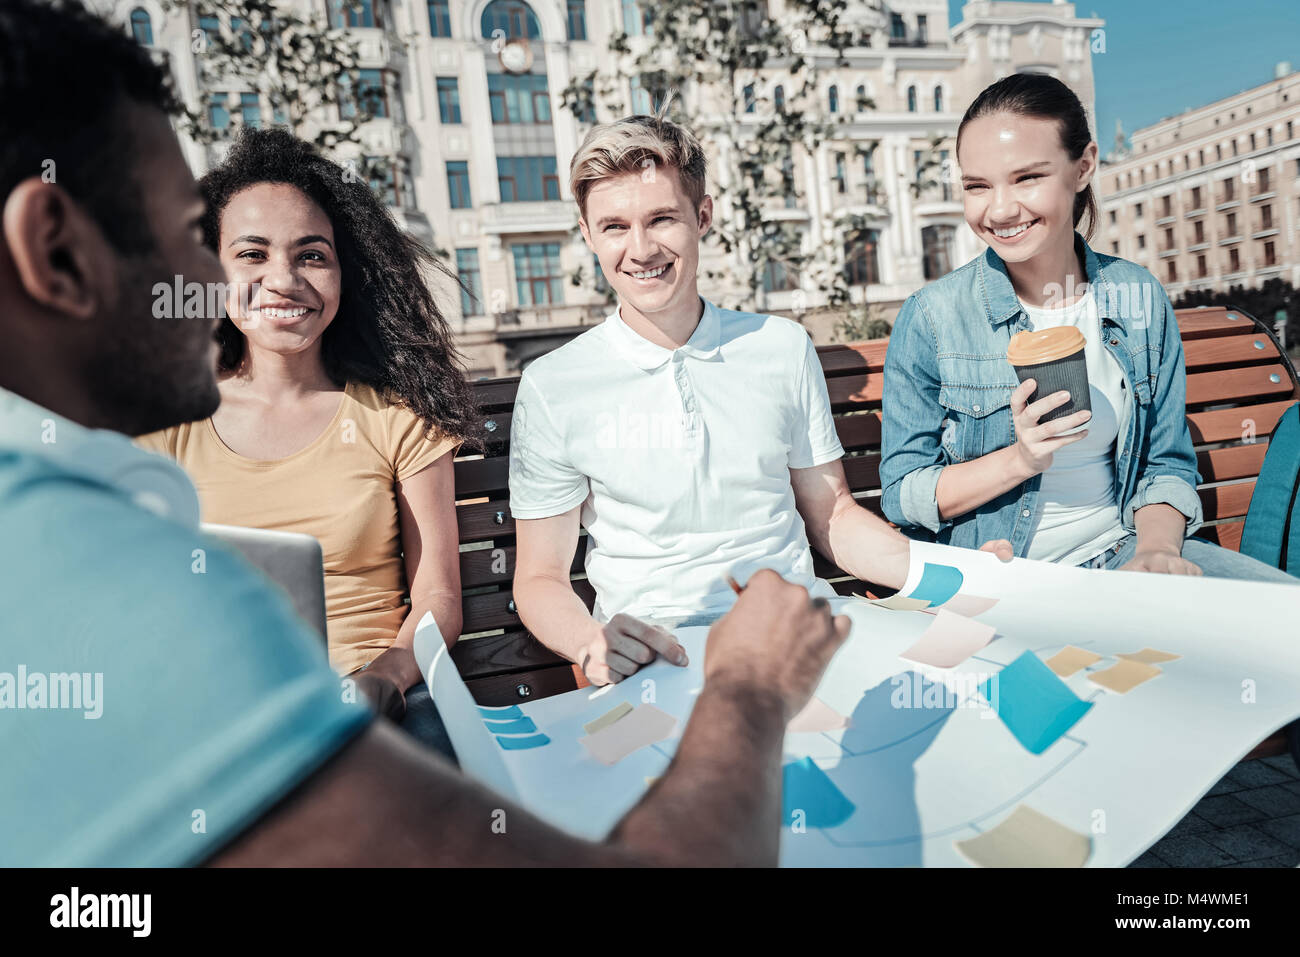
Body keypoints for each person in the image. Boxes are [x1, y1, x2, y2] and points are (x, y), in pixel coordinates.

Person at [0, 0, 850, 867]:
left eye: (309, 253)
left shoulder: (74, 525)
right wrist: (749, 686)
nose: (209, 275)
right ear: (56, 252)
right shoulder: (138, 589)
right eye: (194, 235)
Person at [509, 107, 1014, 687]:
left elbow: (833, 518)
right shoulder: (554, 385)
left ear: (703, 217)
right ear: (588, 233)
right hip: (660, 660)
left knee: (988, 681)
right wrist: (591, 643)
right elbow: (541, 577)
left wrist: (948, 572)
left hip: (799, 634)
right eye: (615, 226)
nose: (641, 249)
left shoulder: (781, 347)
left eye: (662, 219)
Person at [879, 73, 1296, 584]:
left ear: (1084, 167)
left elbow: (1163, 464)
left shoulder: (1136, 296)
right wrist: (1020, 459)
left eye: (1027, 177)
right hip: (1001, 572)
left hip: (1123, 549)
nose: (1001, 208)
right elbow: (902, 495)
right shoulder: (932, 317)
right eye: (977, 186)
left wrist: (1157, 552)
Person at [136, 128, 474, 755]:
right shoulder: (168, 422)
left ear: (346, 273)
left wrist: (388, 675)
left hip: (382, 701)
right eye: (253, 255)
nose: (284, 279)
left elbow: (438, 596)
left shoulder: (398, 417)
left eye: (312, 255)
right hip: (227, 706)